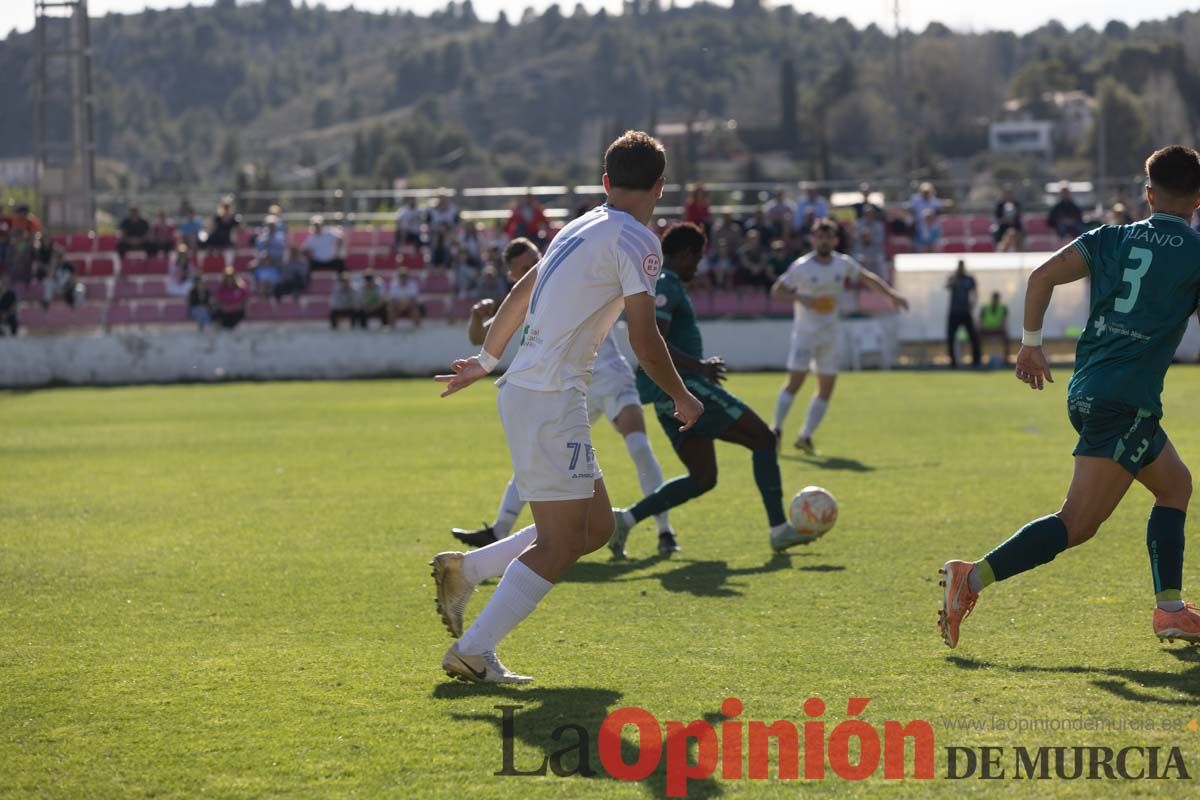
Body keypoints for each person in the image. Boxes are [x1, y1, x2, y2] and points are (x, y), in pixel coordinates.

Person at [429, 131, 702, 684]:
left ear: (605, 183)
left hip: (543, 396)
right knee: (560, 542)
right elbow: (646, 341)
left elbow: (522, 291)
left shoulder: (577, 226)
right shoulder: (640, 241)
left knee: (595, 527)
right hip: (551, 400)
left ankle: (469, 569)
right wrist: (682, 395)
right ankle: (474, 649)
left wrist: (487, 358)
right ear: (660, 187)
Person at [939, 145, 1200, 650]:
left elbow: (1041, 277)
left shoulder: (1108, 237)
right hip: (1123, 402)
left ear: (1148, 195)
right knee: (1076, 524)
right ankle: (968, 579)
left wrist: (1030, 346)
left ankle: (1170, 610)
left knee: (1176, 486)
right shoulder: (1193, 252)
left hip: (1090, 392)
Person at [452, 235, 678, 554]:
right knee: (538, 458)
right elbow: (484, 335)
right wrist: (476, 318)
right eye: (528, 267)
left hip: (610, 375)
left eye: (537, 259)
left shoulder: (572, 272)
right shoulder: (526, 297)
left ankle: (665, 531)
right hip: (568, 387)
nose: (537, 267)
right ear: (516, 277)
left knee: (639, 446)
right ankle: (499, 531)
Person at [609, 221, 818, 559]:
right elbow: (653, 338)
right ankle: (779, 529)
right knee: (764, 438)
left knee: (703, 477)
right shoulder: (666, 284)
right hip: (684, 389)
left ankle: (627, 519)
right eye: (698, 256)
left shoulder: (665, 284)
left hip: (670, 393)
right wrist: (698, 367)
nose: (699, 264)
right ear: (685, 254)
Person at [770, 218, 908, 453]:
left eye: (828, 237)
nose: (824, 241)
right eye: (819, 237)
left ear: (835, 240)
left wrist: (891, 295)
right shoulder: (802, 267)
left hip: (830, 334)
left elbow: (867, 278)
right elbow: (777, 291)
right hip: (805, 334)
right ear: (813, 239)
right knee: (796, 382)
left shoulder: (842, 264)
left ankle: (805, 436)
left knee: (827, 387)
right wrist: (801, 298)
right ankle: (776, 429)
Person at [945, 260, 981, 369]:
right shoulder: (953, 278)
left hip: (965, 312)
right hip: (954, 312)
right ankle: (953, 362)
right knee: (951, 338)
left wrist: (973, 304)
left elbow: (975, 292)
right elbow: (947, 286)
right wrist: (955, 278)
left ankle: (976, 360)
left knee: (973, 337)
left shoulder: (969, 279)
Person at [979, 291, 1010, 364]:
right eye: (994, 298)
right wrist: (989, 328)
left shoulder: (1003, 308)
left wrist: (994, 328)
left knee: (1005, 335)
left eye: (996, 299)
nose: (995, 300)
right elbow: (980, 323)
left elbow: (1004, 322)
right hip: (987, 330)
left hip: (997, 330)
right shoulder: (985, 308)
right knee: (977, 335)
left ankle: (1005, 359)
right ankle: (979, 358)